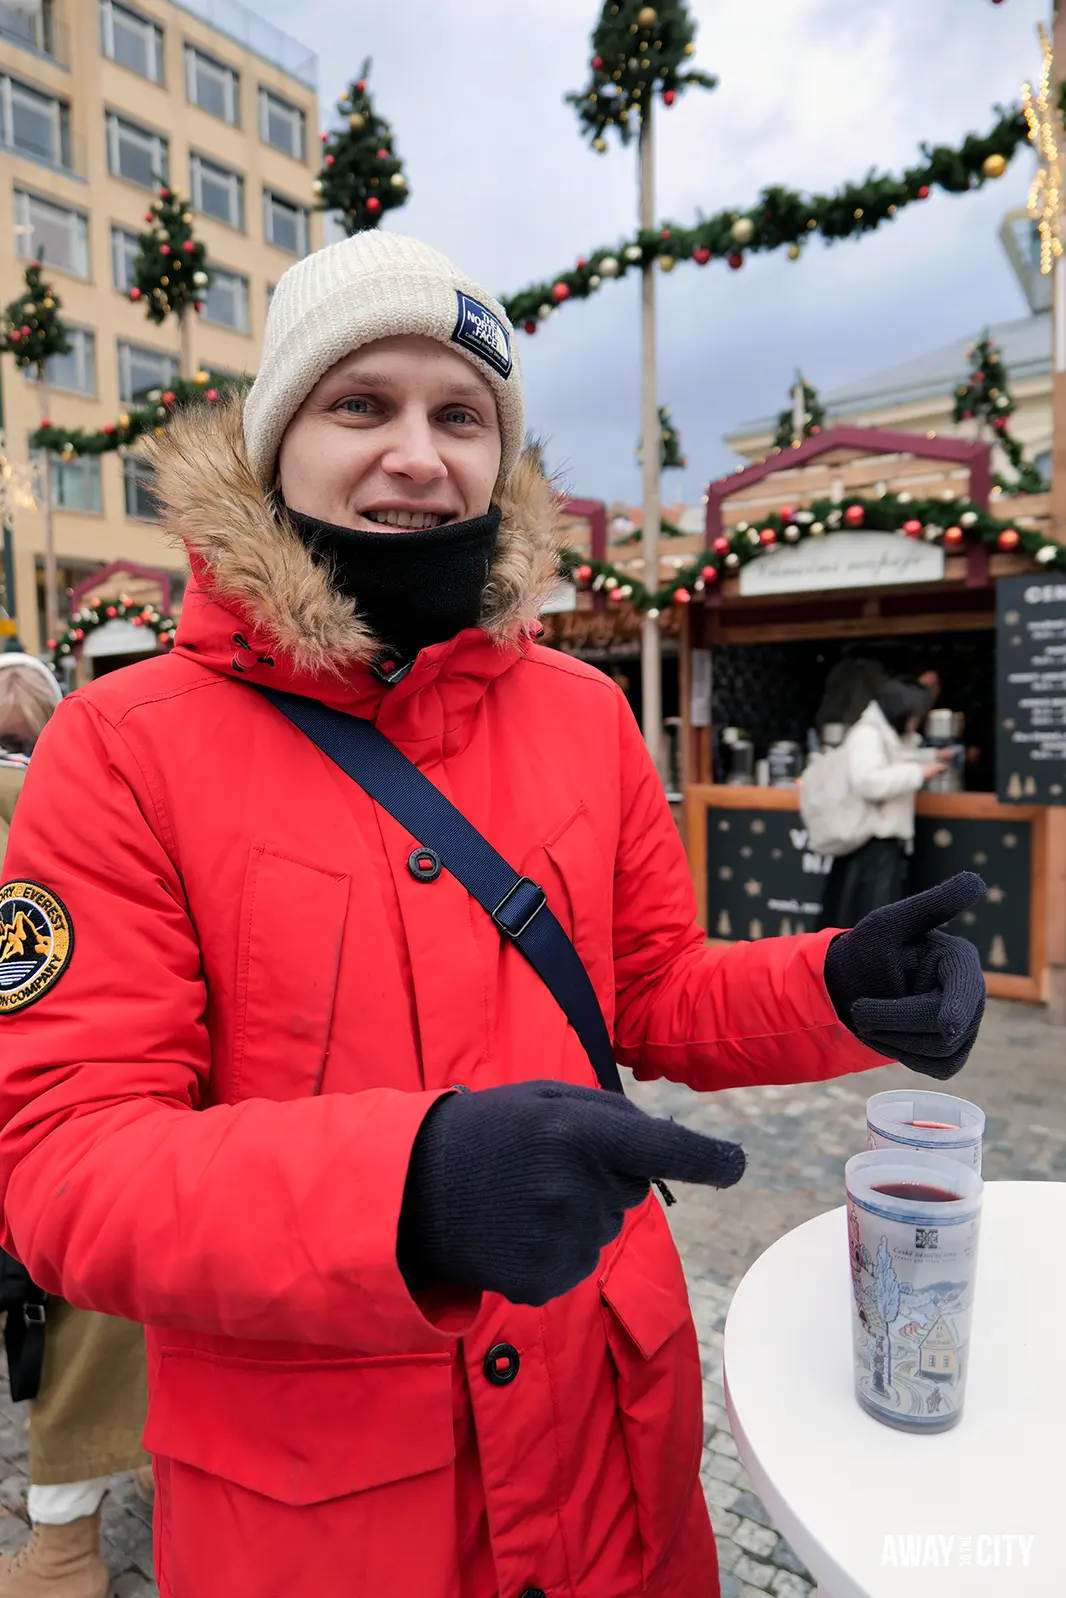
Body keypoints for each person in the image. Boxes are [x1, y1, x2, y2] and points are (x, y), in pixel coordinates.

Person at [0, 232, 985, 1598]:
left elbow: (648, 987)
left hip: (611, 1469)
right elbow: (67, 1169)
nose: (418, 453)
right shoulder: (120, 748)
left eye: (460, 414)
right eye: (362, 405)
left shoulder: (580, 713)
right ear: (277, 439)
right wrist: (406, 1188)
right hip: (329, 1524)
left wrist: (830, 984)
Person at [0, 655, 151, 1598]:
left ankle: (64, 1554)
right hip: (118, 1101)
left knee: (63, 1324)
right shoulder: (89, 792)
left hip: (55, 1116)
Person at [818, 679, 952, 931]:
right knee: (866, 925)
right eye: (912, 717)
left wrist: (931, 757)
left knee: (867, 923)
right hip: (868, 845)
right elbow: (868, 781)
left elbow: (894, 761)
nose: (915, 723)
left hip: (876, 844)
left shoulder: (882, 733)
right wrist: (918, 773)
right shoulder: (867, 735)